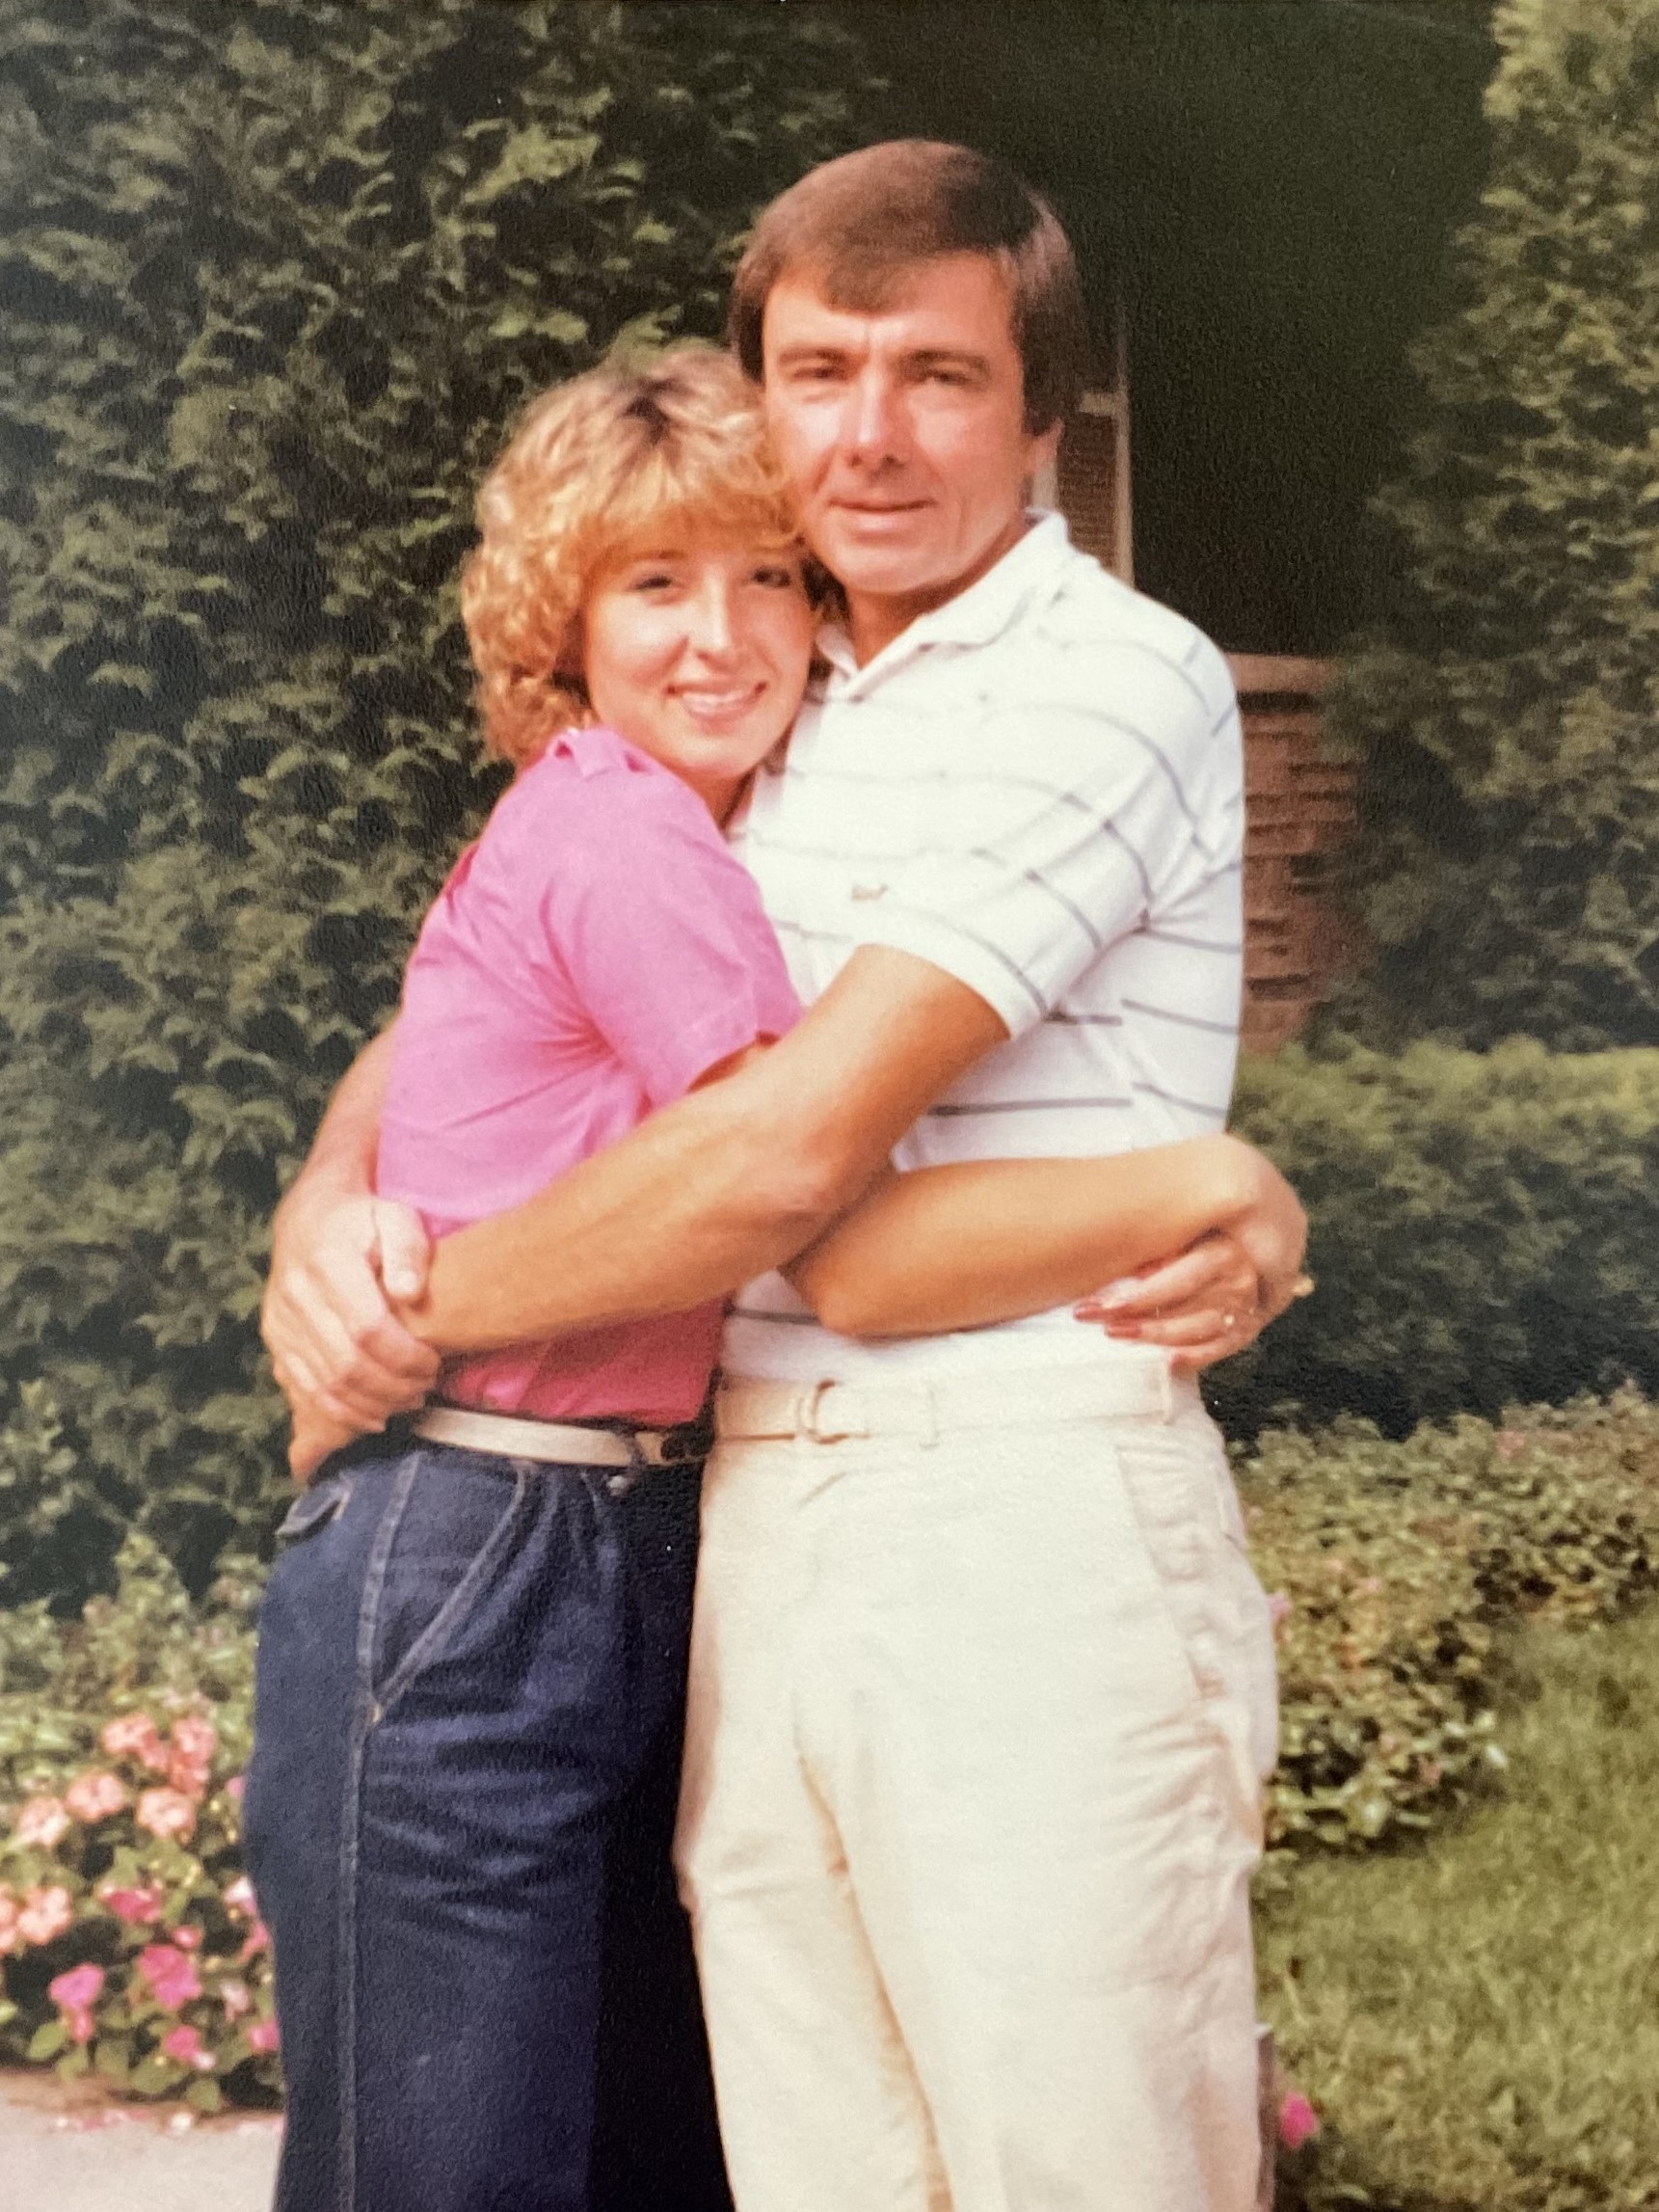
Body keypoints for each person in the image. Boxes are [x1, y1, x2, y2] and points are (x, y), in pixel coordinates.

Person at [261, 144, 1304, 2212]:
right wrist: (329, 1194)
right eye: (820, 373)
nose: (872, 434)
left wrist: (417, 1315)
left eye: (937, 375)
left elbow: (789, 1179)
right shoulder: (780, 699)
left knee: (1072, 2160)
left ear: (1042, 413)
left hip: (1010, 1510)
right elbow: (481, 1001)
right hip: (740, 1523)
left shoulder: (1097, 680)